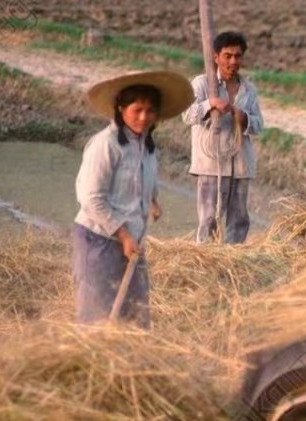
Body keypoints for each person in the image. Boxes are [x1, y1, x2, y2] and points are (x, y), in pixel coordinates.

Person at [73, 70, 193, 328]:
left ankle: (130, 364)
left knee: (134, 314)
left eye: (150, 111)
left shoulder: (146, 146)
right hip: (99, 240)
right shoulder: (105, 145)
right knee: (98, 316)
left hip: (131, 241)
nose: (143, 117)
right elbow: (91, 198)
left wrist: (153, 201)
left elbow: (143, 179)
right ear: (120, 108)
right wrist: (124, 235)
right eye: (137, 109)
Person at [182, 31, 264, 243]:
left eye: (237, 56)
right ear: (216, 56)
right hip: (210, 164)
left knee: (239, 219)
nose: (233, 61)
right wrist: (211, 104)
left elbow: (258, 125)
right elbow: (187, 115)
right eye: (227, 56)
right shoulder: (202, 84)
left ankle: (234, 263)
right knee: (209, 219)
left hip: (240, 164)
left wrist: (243, 117)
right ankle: (206, 265)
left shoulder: (248, 89)